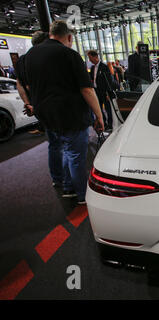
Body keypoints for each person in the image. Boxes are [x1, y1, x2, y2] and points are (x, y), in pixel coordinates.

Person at [24, 20, 104, 204]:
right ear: (68, 36)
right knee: (75, 155)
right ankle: (83, 196)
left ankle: (66, 186)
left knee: (63, 149)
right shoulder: (69, 54)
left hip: (46, 115)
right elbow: (87, 90)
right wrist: (98, 116)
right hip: (71, 115)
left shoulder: (30, 55)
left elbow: (30, 85)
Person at [16, 30, 49, 135]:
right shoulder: (46, 58)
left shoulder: (21, 60)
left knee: (54, 141)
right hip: (52, 107)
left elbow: (20, 84)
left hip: (37, 106)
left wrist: (27, 103)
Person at [87, 50, 114, 131]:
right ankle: (104, 123)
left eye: (90, 57)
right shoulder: (92, 68)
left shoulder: (104, 67)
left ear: (95, 57)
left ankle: (110, 124)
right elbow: (92, 79)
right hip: (96, 91)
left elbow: (108, 80)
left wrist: (108, 93)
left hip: (104, 91)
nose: (89, 60)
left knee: (107, 108)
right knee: (99, 108)